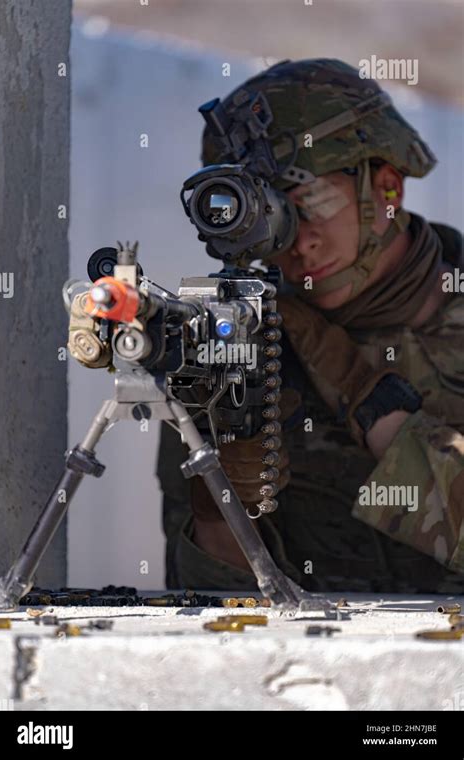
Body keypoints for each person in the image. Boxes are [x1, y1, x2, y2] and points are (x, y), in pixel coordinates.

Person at [157, 58, 463, 594]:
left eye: (311, 206)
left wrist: (362, 393)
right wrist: (221, 505)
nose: (299, 246)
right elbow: (216, 617)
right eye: (276, 223)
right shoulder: (235, 351)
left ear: (387, 190)